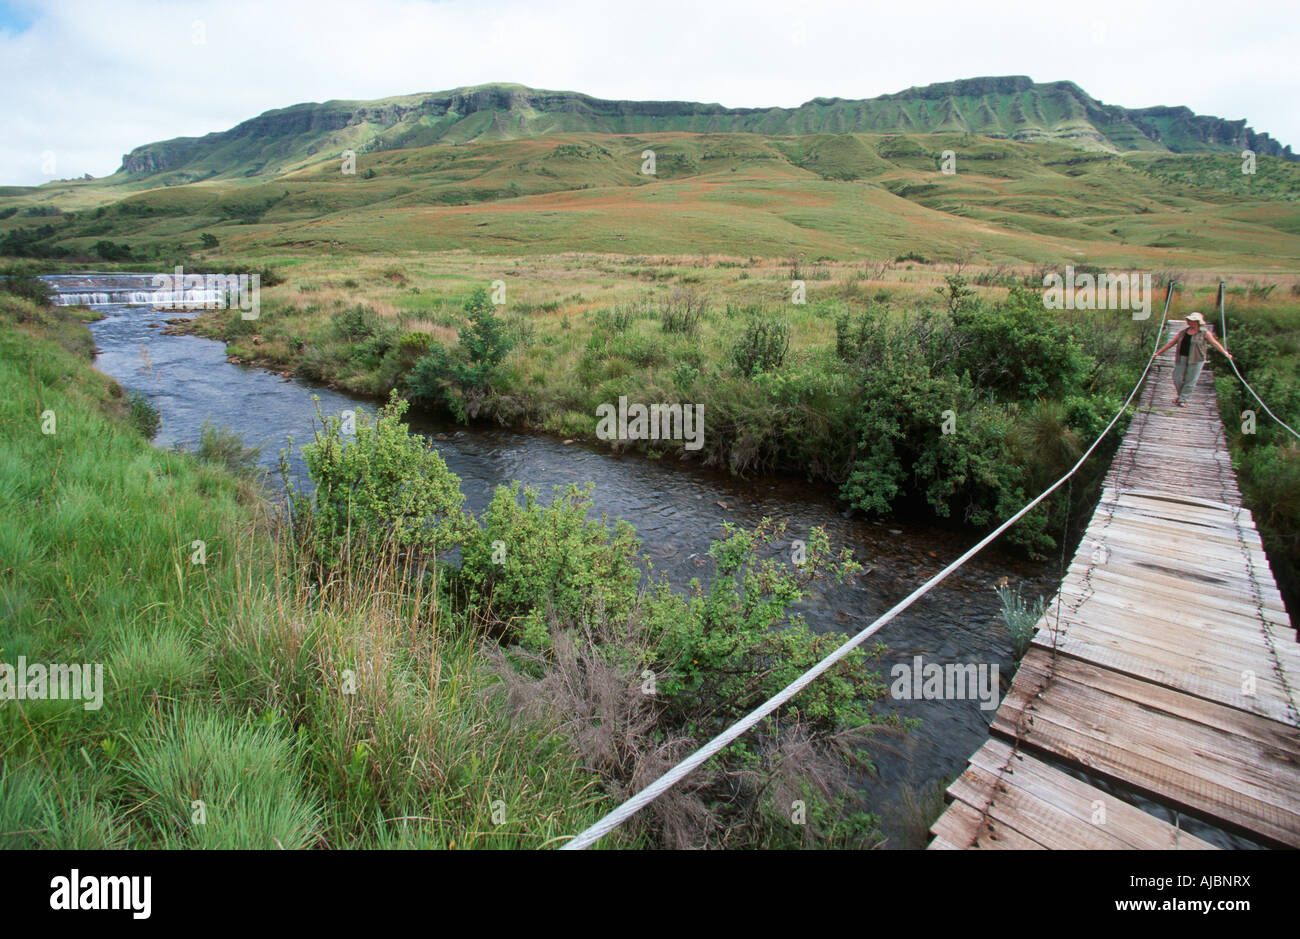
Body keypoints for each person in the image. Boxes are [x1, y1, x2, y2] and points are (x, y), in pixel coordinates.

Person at [1152, 312, 1233, 407]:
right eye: (1189, 320)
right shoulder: (1183, 332)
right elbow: (1171, 344)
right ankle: (1181, 396)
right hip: (1182, 358)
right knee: (1177, 377)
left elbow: (1215, 343)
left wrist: (1225, 353)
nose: (1190, 322)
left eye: (1193, 321)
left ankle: (1183, 400)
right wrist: (1158, 353)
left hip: (1197, 359)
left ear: (1198, 322)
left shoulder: (1204, 333)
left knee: (1190, 380)